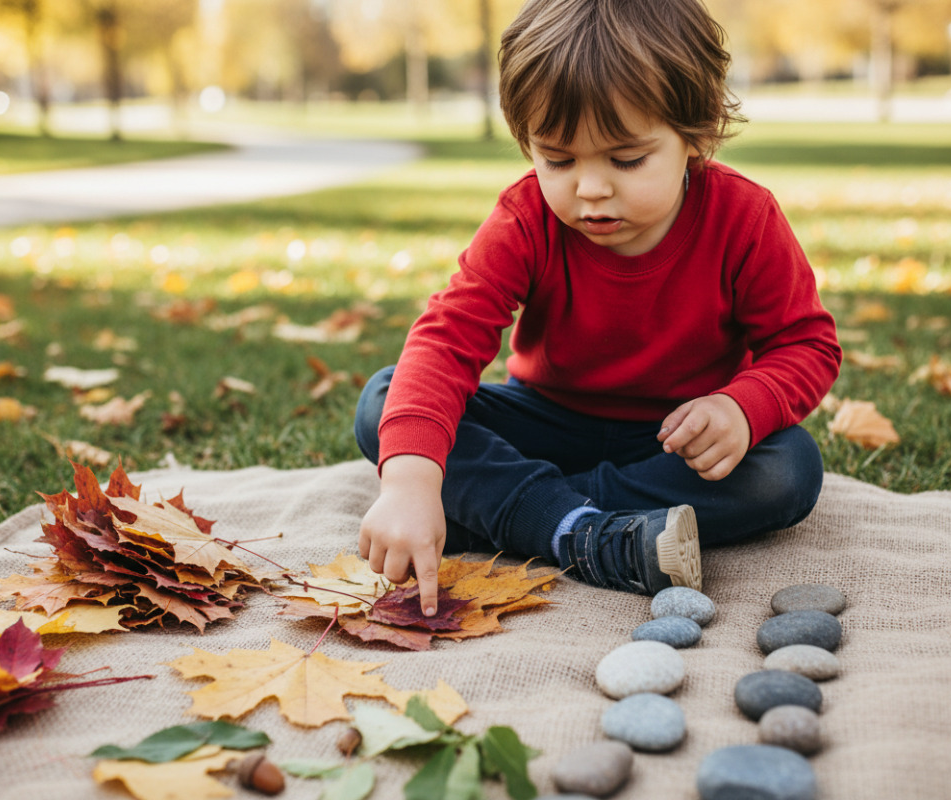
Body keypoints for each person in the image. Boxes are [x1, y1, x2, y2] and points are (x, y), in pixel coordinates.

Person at [353, 0, 842, 617]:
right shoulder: (526, 217)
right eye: (557, 159)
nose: (589, 188)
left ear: (696, 135)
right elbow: (446, 341)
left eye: (626, 159)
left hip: (674, 439)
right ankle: (582, 530)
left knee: (787, 469)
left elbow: (806, 344)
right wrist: (410, 482)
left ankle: (524, 514)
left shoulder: (744, 219)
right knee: (384, 401)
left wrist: (741, 408)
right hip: (547, 420)